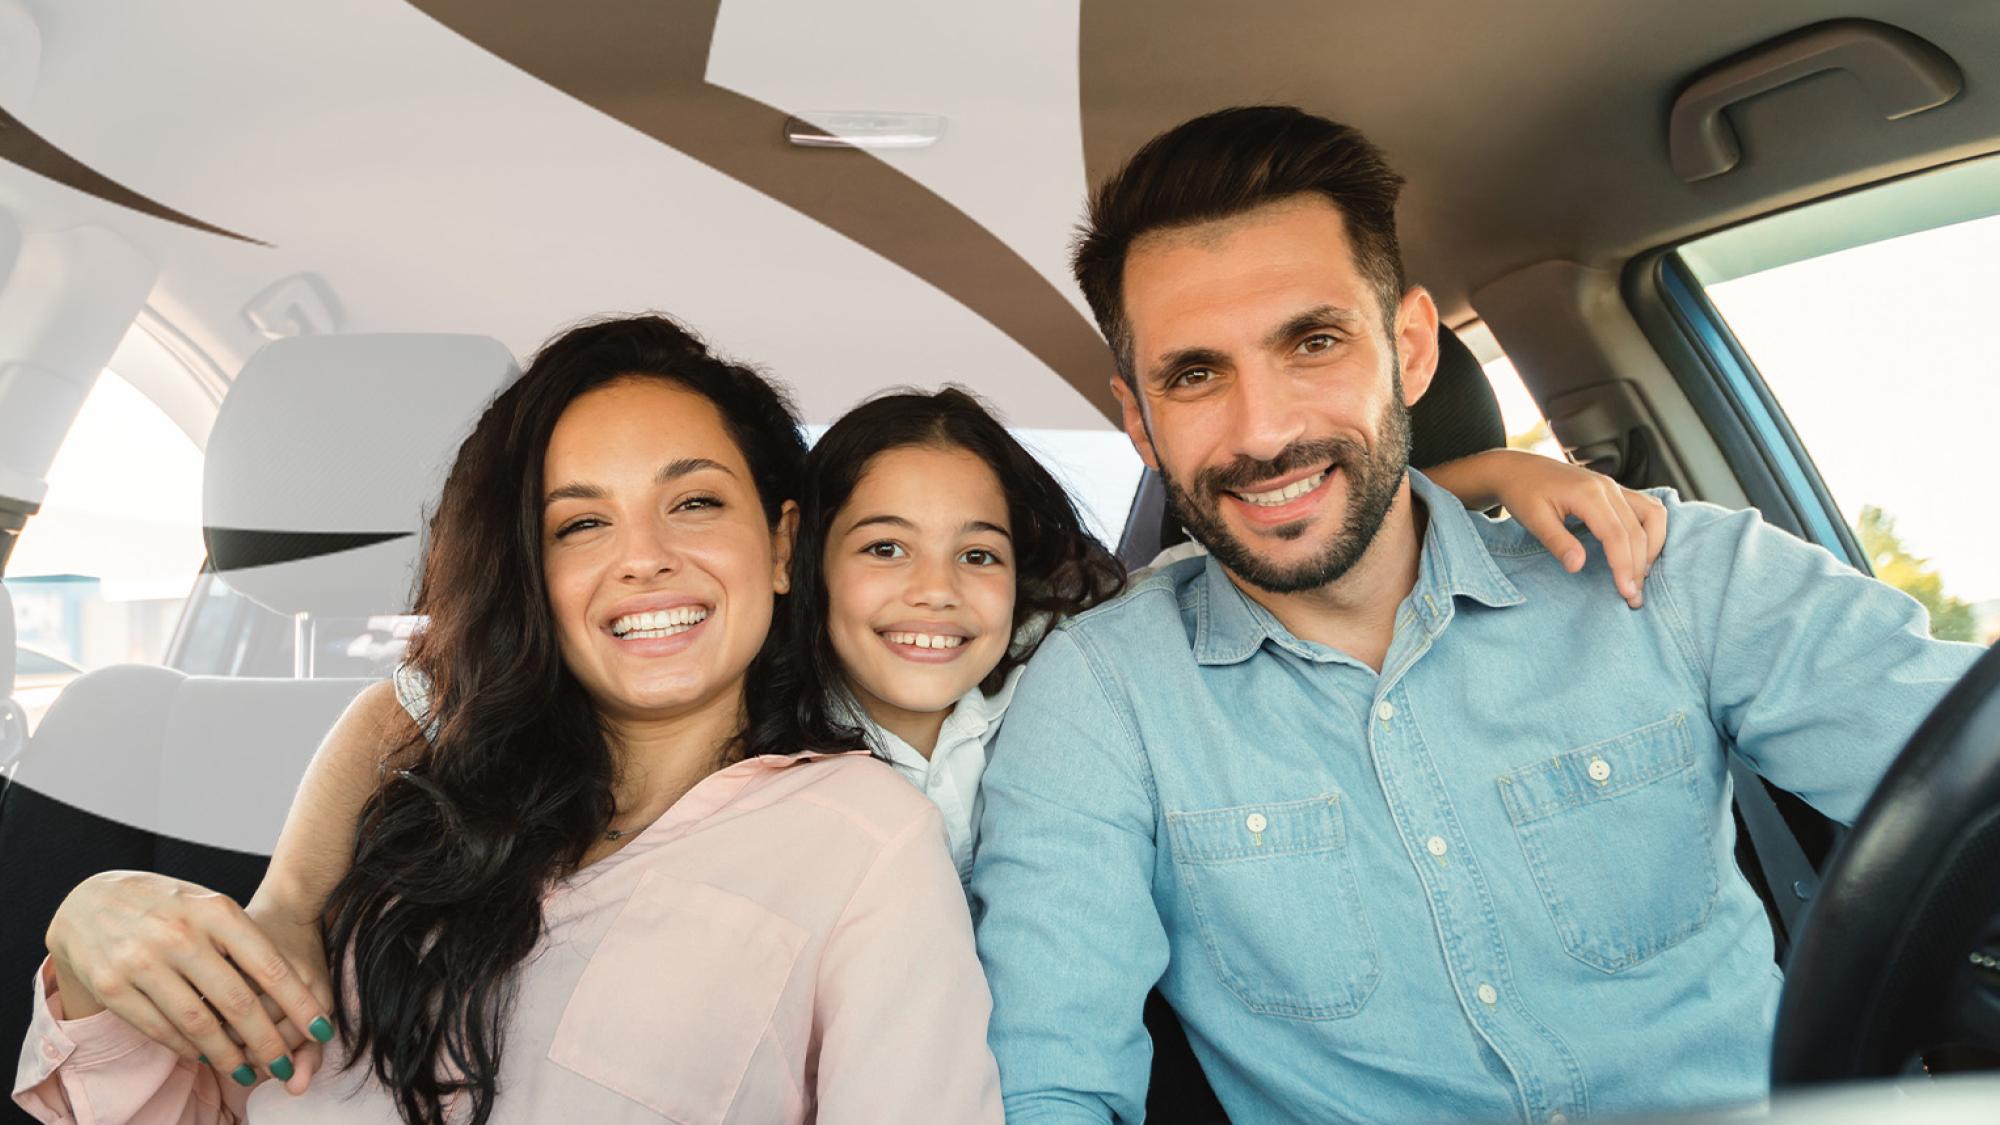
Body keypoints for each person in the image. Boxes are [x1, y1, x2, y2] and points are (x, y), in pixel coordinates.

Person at [26, 363, 1664, 1114]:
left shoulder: (1063, 703)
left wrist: (1474, 490)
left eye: (976, 555)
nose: (927, 597)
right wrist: (252, 914)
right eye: (883, 549)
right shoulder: (497, 782)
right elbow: (406, 707)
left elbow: (1241, 575)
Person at [968, 105, 1986, 1123]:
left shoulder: (1669, 575)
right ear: (1138, 421)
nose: (1263, 430)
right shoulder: (1102, 697)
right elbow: (1047, 1080)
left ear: (1409, 350)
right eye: (1194, 375)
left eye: (1313, 342)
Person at [14, 316, 1003, 1124]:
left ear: (783, 546)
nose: (642, 557)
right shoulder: (403, 813)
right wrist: (95, 941)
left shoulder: (865, 841)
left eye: (694, 502)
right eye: (580, 522)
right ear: (531, 572)